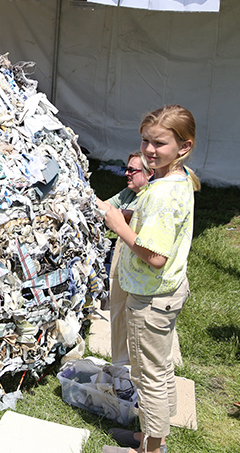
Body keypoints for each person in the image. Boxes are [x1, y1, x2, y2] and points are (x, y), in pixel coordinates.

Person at [96, 105, 200, 453]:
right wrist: (124, 212)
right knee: (161, 368)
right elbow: (154, 221)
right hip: (167, 293)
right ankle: (153, 436)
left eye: (159, 144)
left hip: (149, 298)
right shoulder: (180, 178)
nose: (149, 150)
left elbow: (155, 257)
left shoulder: (159, 193)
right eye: (145, 141)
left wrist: (121, 227)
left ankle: (150, 450)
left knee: (148, 377)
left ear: (183, 147)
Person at [104, 152, 154, 367]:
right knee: (118, 313)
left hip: (141, 268)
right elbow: (107, 207)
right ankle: (120, 365)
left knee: (137, 323)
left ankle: (136, 367)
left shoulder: (149, 198)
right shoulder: (128, 193)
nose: (126, 173)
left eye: (132, 170)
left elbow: (122, 216)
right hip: (123, 263)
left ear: (149, 174)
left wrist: (114, 213)